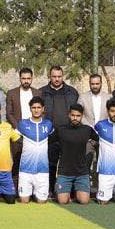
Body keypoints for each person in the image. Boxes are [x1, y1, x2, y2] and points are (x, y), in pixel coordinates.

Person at [40, 66, 79, 194]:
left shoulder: (72, 92)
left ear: (63, 76)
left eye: (59, 76)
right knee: (50, 164)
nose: (57, 79)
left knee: (69, 164)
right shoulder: (42, 92)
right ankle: (50, 190)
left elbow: (77, 113)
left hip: (68, 134)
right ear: (49, 77)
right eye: (54, 76)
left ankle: (70, 191)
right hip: (50, 135)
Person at [54, 104, 97, 205]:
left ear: (82, 116)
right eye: (73, 115)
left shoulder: (87, 130)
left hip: (81, 172)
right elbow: (47, 142)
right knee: (63, 201)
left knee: (84, 201)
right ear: (69, 115)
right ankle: (64, 193)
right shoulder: (61, 130)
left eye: (78, 116)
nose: (75, 118)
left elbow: (101, 141)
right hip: (64, 172)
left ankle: (76, 193)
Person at [15, 97, 53, 203]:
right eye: (34, 107)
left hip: (43, 170)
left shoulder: (48, 124)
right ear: (30, 109)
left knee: (41, 202)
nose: (36, 110)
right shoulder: (23, 124)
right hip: (25, 170)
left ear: (43, 109)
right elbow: (15, 137)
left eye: (38, 107)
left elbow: (52, 138)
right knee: (24, 201)